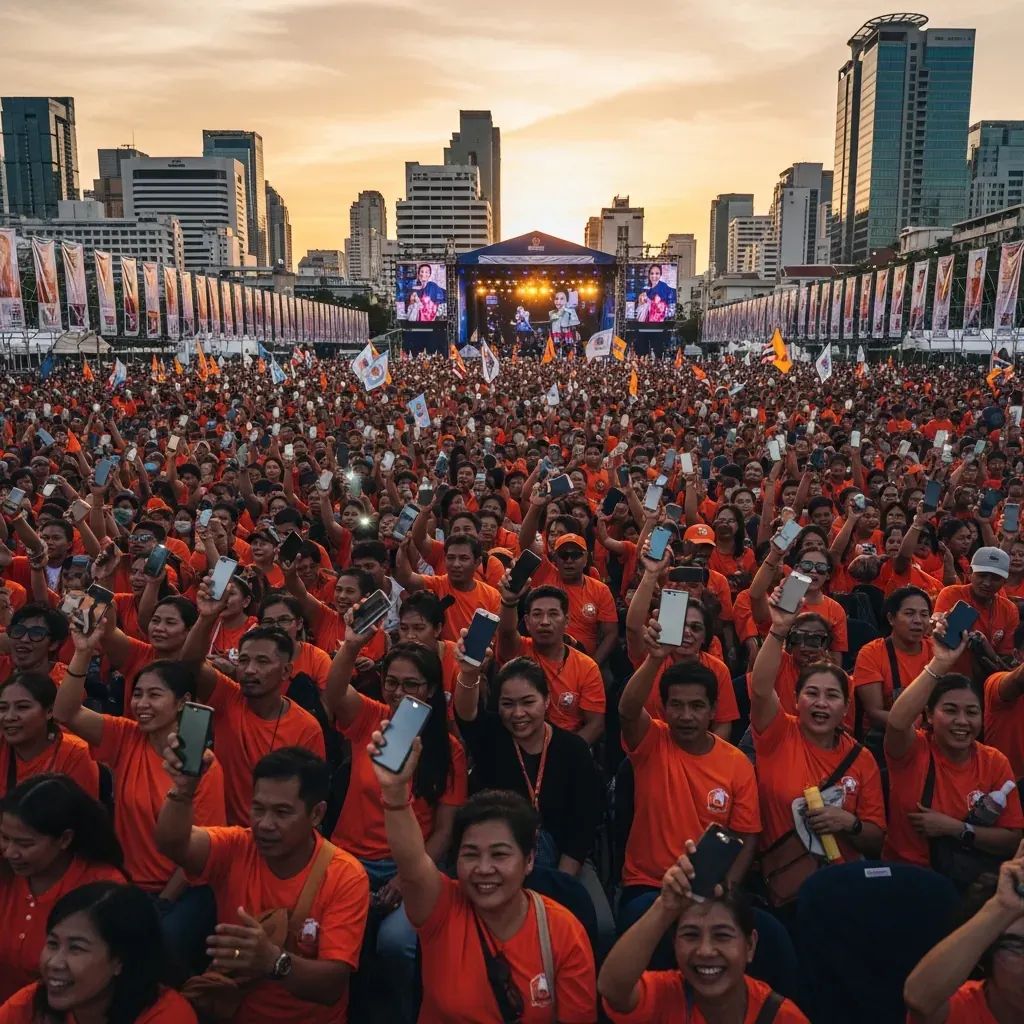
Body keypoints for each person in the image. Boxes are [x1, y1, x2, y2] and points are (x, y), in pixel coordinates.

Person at [369, 731, 598, 1022]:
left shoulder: (563, 932)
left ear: (529, 860)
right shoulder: (441, 907)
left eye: (500, 854)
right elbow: (412, 862)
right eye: (471, 854)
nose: (484, 868)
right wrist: (395, 794)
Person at [156, 745, 369, 1024]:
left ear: (316, 814)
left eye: (282, 812)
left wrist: (272, 960)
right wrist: (183, 790)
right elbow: (173, 843)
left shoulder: (346, 876)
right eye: (258, 809)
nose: (265, 824)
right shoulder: (236, 847)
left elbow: (332, 986)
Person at [53, 634, 225, 966]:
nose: (141, 703)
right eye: (138, 694)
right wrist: (84, 651)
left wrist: (162, 902)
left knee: (156, 956)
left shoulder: (202, 766)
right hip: (126, 882)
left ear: (182, 702)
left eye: (154, 695)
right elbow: (65, 711)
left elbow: (196, 854)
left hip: (181, 892)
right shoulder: (127, 737)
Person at [617, 616, 760, 929]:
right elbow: (627, 710)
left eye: (696, 706)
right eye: (676, 705)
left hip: (709, 892)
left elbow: (745, 837)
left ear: (712, 711)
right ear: (664, 708)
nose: (685, 715)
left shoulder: (737, 764)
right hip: (649, 886)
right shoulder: (651, 741)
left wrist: (726, 891)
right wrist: (655, 658)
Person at [749, 584, 886, 905]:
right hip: (786, 891)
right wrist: (780, 628)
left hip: (845, 889)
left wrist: (848, 823)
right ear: (796, 701)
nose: (821, 703)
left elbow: (876, 838)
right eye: (812, 693)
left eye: (833, 695)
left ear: (846, 706)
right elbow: (759, 687)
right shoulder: (778, 733)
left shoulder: (861, 758)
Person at [598, 842, 808, 1022]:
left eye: (722, 935)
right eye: (690, 935)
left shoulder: (782, 1017)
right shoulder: (666, 995)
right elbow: (612, 989)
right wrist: (665, 908)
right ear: (674, 943)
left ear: (750, 945)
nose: (705, 951)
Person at [882, 613, 1023, 877]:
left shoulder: (994, 761)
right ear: (929, 716)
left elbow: (1012, 838)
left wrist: (956, 828)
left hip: (966, 879)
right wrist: (940, 663)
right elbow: (897, 723)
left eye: (971, 712)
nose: (962, 721)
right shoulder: (913, 751)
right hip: (907, 874)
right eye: (950, 710)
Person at [0, 775, 125, 1003]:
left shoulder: (103, 890)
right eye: (4, 838)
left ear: (64, 839)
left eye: (25, 844)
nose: (10, 852)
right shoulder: (4, 872)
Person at [0, 881, 197, 1023]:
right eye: (52, 944)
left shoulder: (167, 1016)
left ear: (120, 961)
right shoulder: (31, 1004)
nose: (54, 962)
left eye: (76, 948)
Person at [904, 840, 1024, 1023]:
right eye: (1018, 946)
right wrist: (1002, 906)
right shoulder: (962, 1008)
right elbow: (919, 1000)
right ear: (984, 953)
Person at [0, 671, 98, 796]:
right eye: (2, 708)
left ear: (49, 711)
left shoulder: (75, 754)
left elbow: (82, 814)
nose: (9, 717)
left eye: (22, 707)